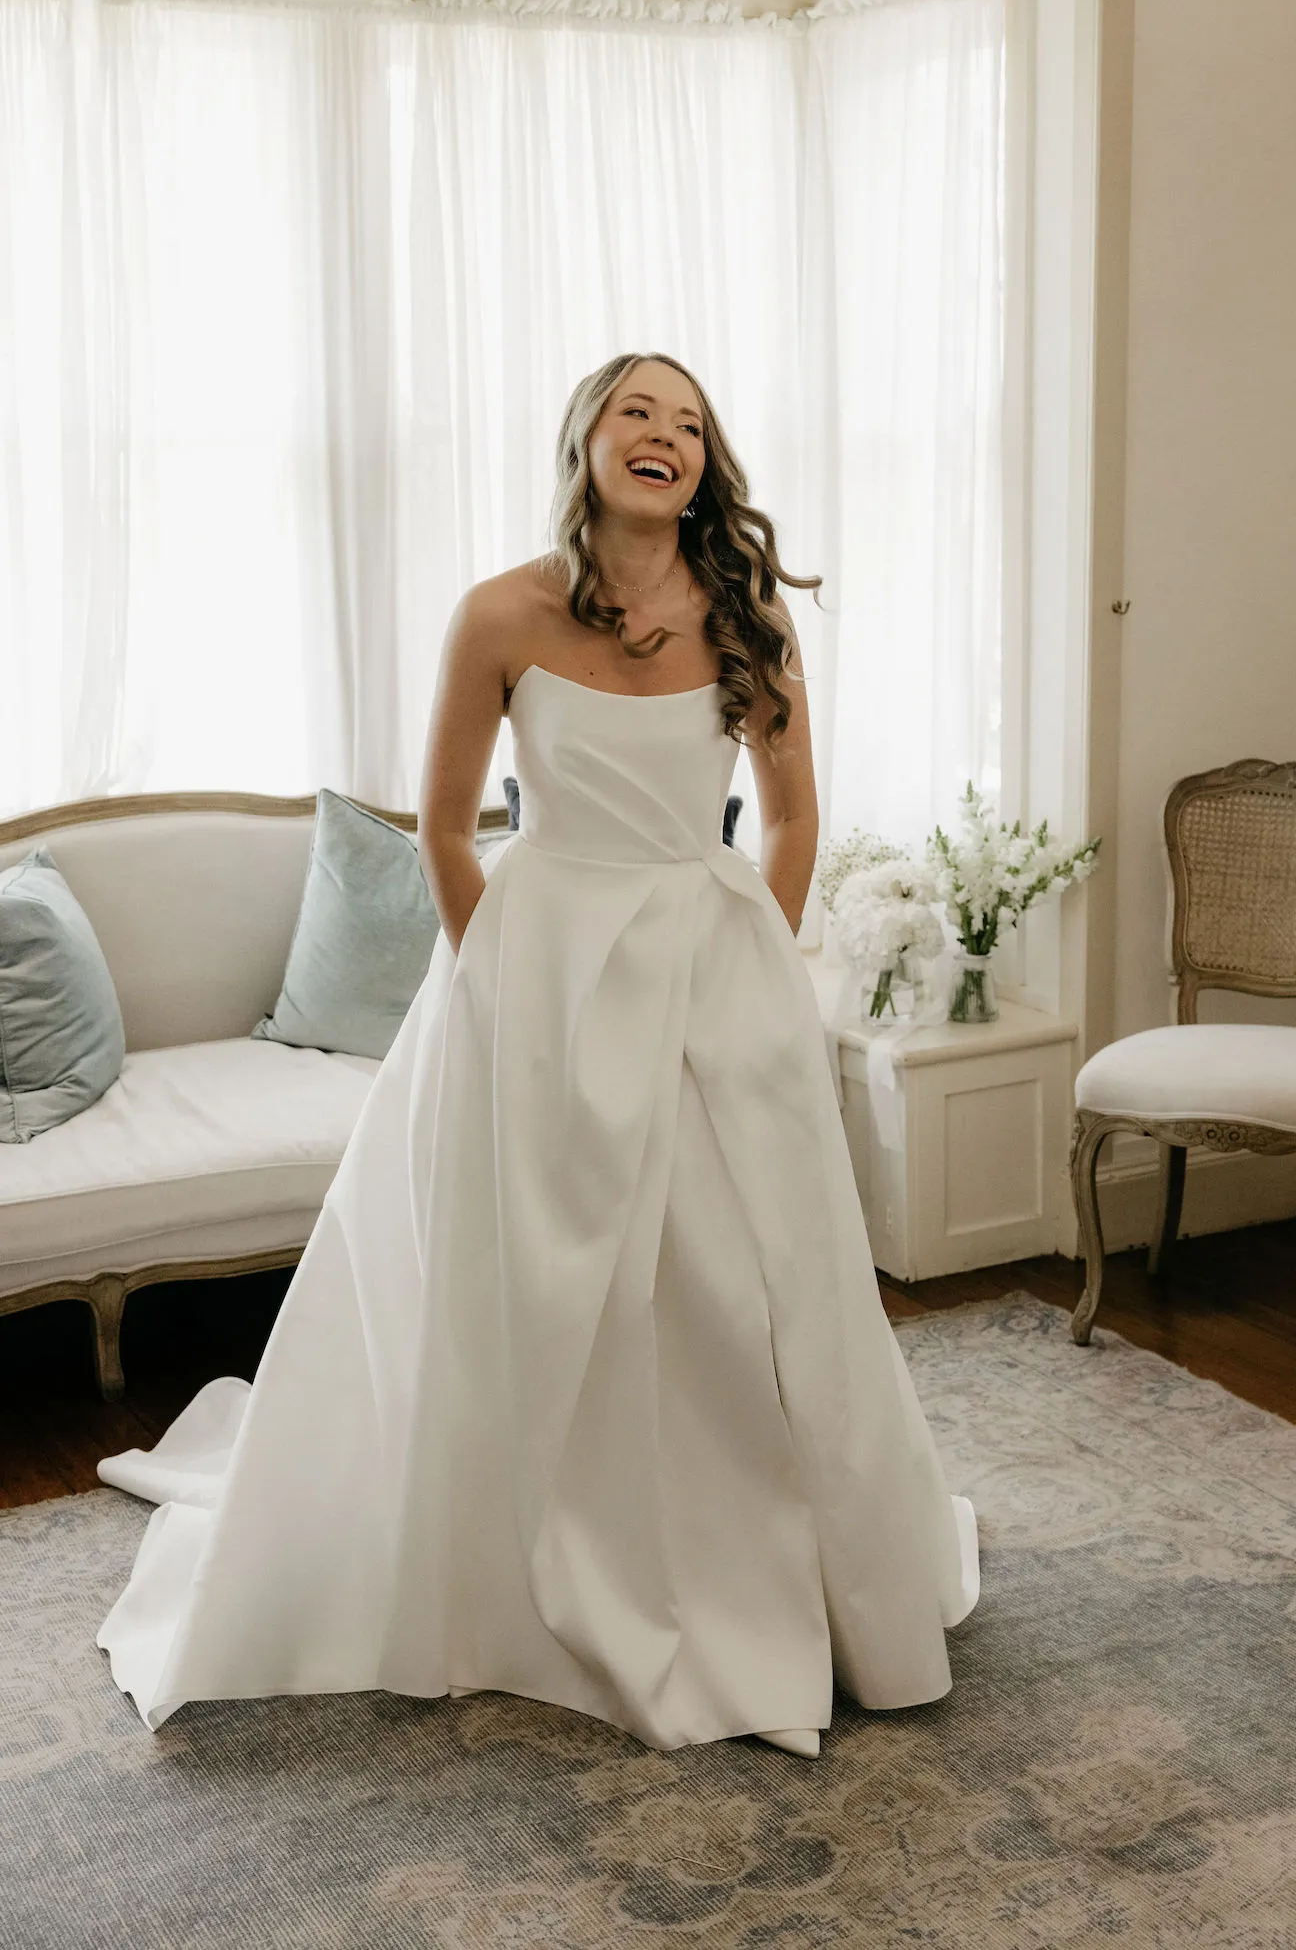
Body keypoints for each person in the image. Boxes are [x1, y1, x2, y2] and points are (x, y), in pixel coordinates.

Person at [96, 351, 979, 1761]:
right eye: (642, 410)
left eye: (691, 424)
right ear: (586, 439)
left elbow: (796, 810)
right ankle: (534, 1555)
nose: (668, 437)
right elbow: (446, 823)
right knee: (548, 1274)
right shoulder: (499, 613)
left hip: (709, 978)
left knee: (735, 1278)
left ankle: (754, 1553)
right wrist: (493, 979)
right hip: (540, 977)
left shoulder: (744, 616)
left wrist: (753, 946)